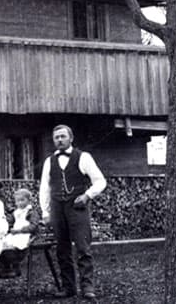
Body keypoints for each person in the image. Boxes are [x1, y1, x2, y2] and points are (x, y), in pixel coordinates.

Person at [39, 124, 106, 300]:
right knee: (62, 249)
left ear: (71, 138)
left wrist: (87, 195)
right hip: (57, 208)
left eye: (62, 136)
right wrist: (45, 212)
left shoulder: (83, 157)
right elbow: (44, 188)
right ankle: (68, 288)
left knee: (83, 248)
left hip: (77, 207)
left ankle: (87, 287)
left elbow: (100, 181)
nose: (59, 140)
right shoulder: (49, 161)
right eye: (56, 137)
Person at [0, 188, 39, 279]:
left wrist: (20, 231)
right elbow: (10, 222)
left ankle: (15, 265)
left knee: (18, 245)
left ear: (29, 200)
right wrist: (6, 222)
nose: (20, 203)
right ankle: (7, 268)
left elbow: (33, 226)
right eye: (17, 201)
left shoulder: (31, 212)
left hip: (25, 233)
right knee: (4, 244)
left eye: (22, 200)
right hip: (15, 233)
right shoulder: (16, 212)